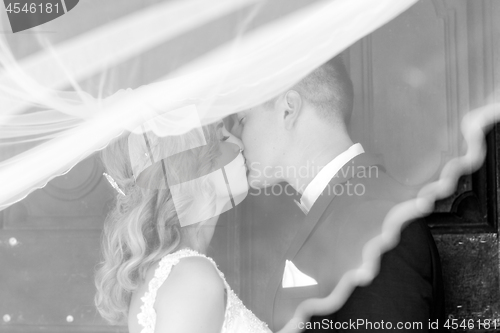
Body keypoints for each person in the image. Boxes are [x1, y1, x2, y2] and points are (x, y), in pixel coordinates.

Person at [230, 55, 445, 332]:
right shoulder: (345, 207)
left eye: (242, 120)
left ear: (289, 109)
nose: (235, 138)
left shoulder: (374, 219)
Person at [94, 120, 271, 333]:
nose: (239, 144)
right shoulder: (192, 277)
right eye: (222, 138)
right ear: (190, 169)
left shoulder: (173, 273)